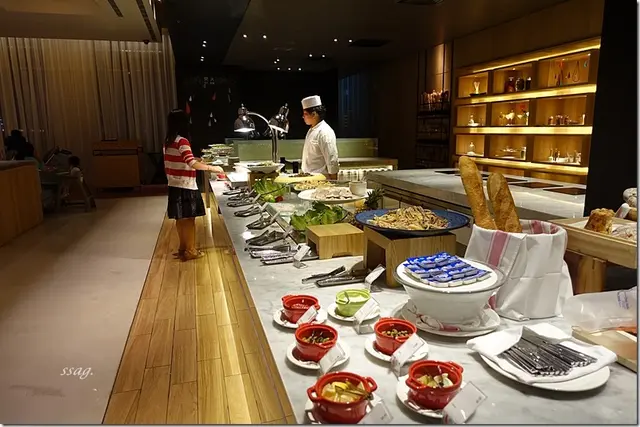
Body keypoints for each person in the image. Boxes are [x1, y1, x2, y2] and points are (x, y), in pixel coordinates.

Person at [164, 109, 223, 261]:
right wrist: (212, 168)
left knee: (180, 218)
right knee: (189, 219)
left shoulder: (169, 141)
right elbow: (191, 163)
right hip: (186, 185)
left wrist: (197, 159)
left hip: (174, 184)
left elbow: (183, 159)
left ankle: (183, 248)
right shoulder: (182, 141)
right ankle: (190, 250)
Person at [301, 95, 339, 179]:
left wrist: (334, 183)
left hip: (321, 179)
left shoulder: (324, 132)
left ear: (314, 114)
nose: (303, 117)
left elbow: (332, 161)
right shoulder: (311, 130)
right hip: (309, 178)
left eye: (305, 114)